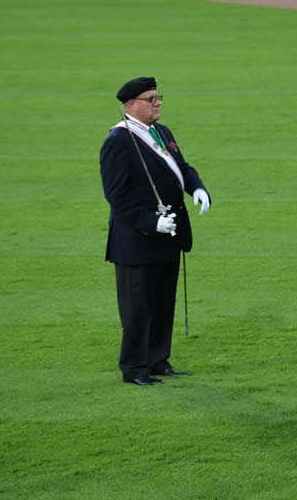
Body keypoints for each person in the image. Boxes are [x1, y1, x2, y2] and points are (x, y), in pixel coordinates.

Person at [100, 77, 211, 385]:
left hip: (169, 235)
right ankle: (134, 368)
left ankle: (157, 359)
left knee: (163, 302)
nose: (158, 102)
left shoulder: (161, 132)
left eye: (157, 96)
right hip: (138, 240)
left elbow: (182, 168)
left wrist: (197, 189)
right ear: (132, 105)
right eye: (151, 99)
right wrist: (151, 221)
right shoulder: (118, 141)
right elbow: (116, 195)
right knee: (137, 308)